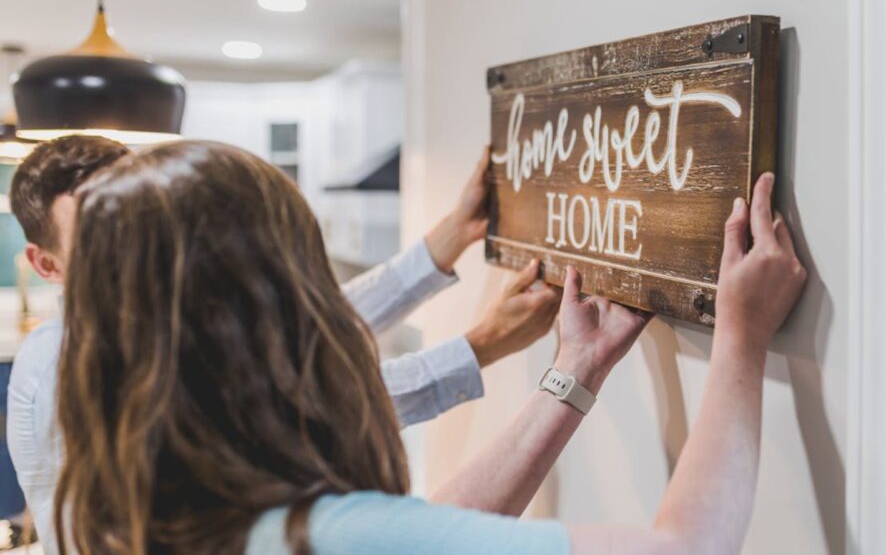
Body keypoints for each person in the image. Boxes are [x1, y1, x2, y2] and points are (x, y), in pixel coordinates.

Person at [55, 141, 806, 555]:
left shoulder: (138, 517)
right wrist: (741, 334)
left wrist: (572, 374)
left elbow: (425, 533)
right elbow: (686, 549)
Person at [6, 136, 559, 555]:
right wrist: (481, 346)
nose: (153, 248)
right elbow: (287, 404)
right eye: (111, 235)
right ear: (46, 264)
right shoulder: (71, 362)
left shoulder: (148, 322)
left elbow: (292, 326)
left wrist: (451, 236)